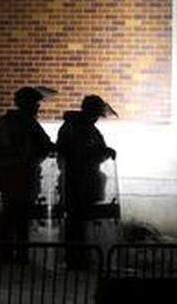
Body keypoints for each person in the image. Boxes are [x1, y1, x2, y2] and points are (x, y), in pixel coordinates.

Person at [0, 86, 55, 261]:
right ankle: (14, 253)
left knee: (15, 214)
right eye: (35, 103)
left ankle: (13, 252)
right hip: (19, 174)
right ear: (26, 104)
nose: (37, 107)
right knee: (16, 214)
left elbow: (46, 145)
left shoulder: (13, 122)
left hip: (17, 174)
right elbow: (45, 145)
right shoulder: (22, 123)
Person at [56, 94, 117, 268]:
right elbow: (78, 155)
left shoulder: (84, 128)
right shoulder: (77, 128)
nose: (98, 118)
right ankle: (75, 258)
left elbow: (94, 151)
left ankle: (79, 256)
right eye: (96, 114)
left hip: (85, 181)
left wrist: (105, 151)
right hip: (76, 181)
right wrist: (103, 153)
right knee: (76, 220)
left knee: (82, 221)